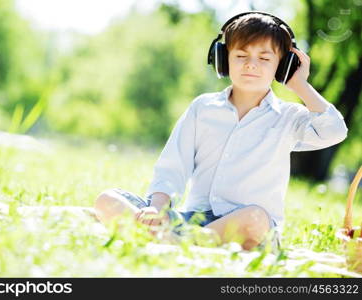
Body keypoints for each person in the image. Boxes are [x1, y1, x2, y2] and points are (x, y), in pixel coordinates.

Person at [93, 12, 348, 252]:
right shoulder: (203, 108)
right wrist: (157, 209)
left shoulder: (289, 117)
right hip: (193, 220)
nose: (251, 65)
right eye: (241, 56)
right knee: (108, 199)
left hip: (248, 227)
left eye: (265, 58)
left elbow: (335, 131)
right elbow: (173, 165)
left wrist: (300, 85)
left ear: (283, 66)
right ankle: (181, 240)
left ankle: (174, 243)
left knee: (257, 218)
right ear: (223, 59)